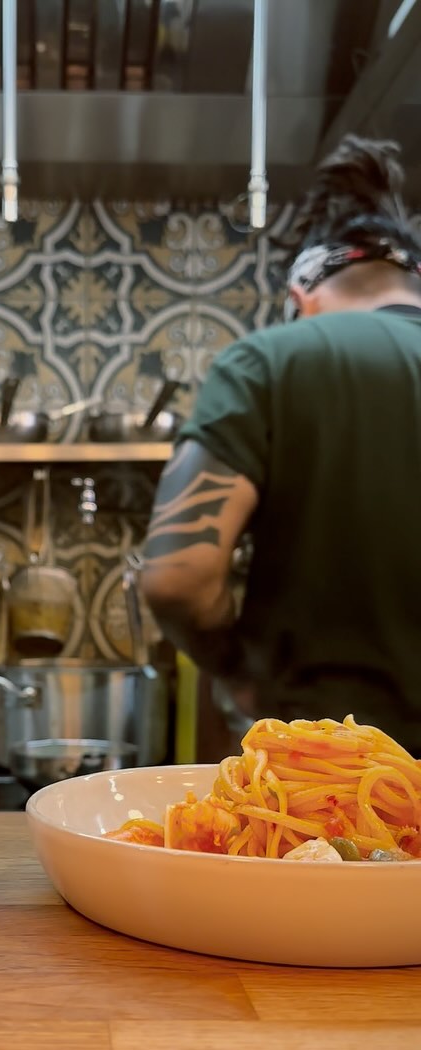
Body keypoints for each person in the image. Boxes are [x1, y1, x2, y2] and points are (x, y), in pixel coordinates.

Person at [141, 134, 421, 754]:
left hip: (321, 776)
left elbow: (177, 580)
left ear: (302, 299)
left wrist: (235, 669)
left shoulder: (271, 360)